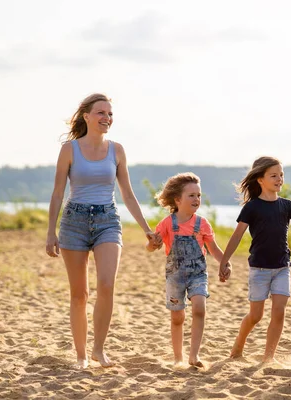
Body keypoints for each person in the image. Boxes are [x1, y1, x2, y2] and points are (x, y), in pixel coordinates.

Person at [45, 93, 162, 369]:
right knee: (79, 294)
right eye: (101, 113)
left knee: (107, 286)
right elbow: (58, 193)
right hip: (74, 221)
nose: (106, 118)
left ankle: (99, 350)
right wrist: (51, 232)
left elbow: (128, 195)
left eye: (110, 114)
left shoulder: (117, 150)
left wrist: (146, 229)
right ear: (86, 116)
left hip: (108, 219)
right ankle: (82, 356)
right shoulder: (69, 150)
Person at [219, 156, 291, 363]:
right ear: (260, 179)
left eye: (281, 175)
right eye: (274, 175)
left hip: (282, 268)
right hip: (259, 269)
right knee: (256, 316)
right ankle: (238, 346)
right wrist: (224, 261)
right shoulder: (252, 207)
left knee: (279, 312)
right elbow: (236, 236)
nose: (279, 179)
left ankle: (268, 357)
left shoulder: (287, 205)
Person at [147, 172, 229, 368]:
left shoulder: (202, 224)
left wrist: (225, 263)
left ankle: (194, 355)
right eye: (191, 195)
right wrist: (153, 244)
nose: (197, 199)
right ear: (178, 199)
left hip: (197, 275)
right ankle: (178, 357)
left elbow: (213, 249)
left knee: (199, 308)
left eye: (199, 195)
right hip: (175, 277)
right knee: (177, 316)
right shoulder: (167, 223)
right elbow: (151, 246)